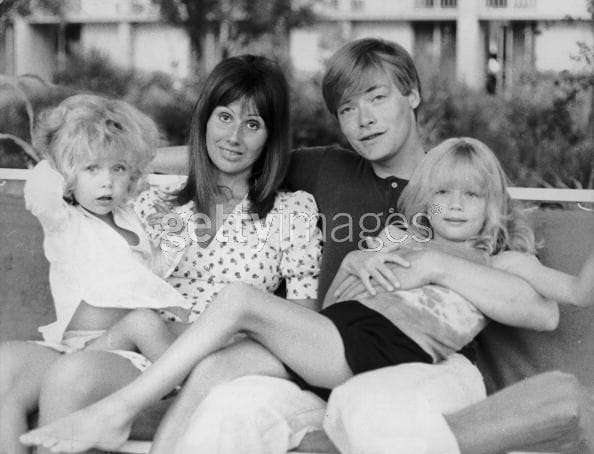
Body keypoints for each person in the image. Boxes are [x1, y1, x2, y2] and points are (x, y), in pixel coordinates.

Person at [23, 129, 594, 454]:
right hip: (348, 333)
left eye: (469, 196)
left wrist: (436, 267)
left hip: (386, 347)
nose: (452, 205)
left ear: (491, 203)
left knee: (241, 301)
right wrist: (370, 260)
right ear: (425, 197)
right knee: (218, 371)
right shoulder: (403, 239)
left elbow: (567, 295)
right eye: (441, 192)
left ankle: (119, 412)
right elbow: (348, 288)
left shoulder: (502, 256)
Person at [149, 38, 588, 454]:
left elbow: (536, 304)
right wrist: (122, 161)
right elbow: (234, 152)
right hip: (324, 357)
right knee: (232, 406)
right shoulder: (328, 169)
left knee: (369, 406)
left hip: (434, 363)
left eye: (377, 98)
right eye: (347, 108)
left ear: (412, 94)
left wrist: (435, 264)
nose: (364, 119)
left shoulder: (457, 183)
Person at [4, 55, 322, 454]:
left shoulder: (290, 211)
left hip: (199, 362)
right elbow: (60, 171)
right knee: (3, 371)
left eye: (253, 124)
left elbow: (302, 322)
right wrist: (127, 152)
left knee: (73, 377)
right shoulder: (158, 203)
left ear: (271, 137)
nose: (235, 137)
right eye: (224, 117)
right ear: (203, 120)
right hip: (127, 344)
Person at [0, 93, 192, 454]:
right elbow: (44, 176)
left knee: (143, 321)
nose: (106, 183)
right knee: (3, 368)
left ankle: (189, 383)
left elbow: (193, 160)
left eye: (118, 169)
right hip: (69, 345)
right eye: (92, 169)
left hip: (126, 351)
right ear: (68, 170)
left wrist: (133, 155)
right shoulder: (61, 218)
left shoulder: (136, 218)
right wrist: (71, 131)